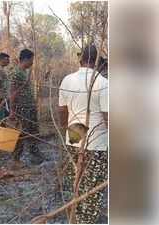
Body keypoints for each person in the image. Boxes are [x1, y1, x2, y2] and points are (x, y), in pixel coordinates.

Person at [58, 44, 108, 224]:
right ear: (97, 62)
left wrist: (65, 127)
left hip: (74, 134)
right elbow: (107, 116)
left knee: (76, 180)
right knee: (93, 184)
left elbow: (62, 110)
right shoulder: (102, 82)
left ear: (80, 59)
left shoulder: (67, 80)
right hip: (97, 140)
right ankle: (87, 219)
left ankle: (77, 217)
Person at [9, 48, 44, 165]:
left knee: (33, 132)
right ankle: (16, 159)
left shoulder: (24, 72)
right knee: (21, 134)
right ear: (25, 59)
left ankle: (35, 155)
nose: (32, 62)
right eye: (31, 60)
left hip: (30, 107)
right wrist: (12, 111)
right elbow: (12, 93)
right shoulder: (16, 73)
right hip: (22, 109)